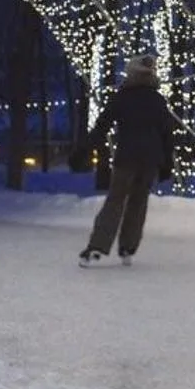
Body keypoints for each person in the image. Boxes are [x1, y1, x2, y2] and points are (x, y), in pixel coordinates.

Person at [78, 55, 178, 267]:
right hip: (150, 159)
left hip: (127, 158)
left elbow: (102, 126)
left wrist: (84, 150)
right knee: (138, 203)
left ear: (131, 74)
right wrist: (167, 162)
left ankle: (97, 246)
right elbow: (167, 134)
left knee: (115, 201)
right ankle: (128, 247)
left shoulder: (123, 97)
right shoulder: (157, 100)